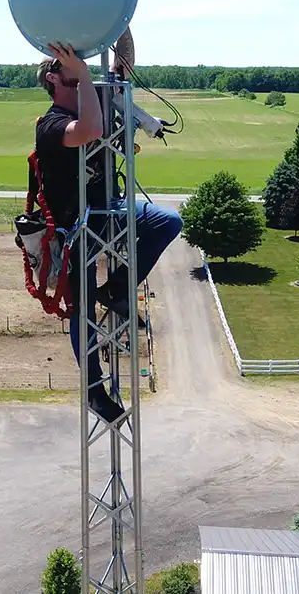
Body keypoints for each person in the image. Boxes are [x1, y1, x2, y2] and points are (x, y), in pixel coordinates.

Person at [33, 38, 182, 422]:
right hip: (75, 227)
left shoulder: (93, 94)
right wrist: (83, 77)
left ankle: (117, 286)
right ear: (54, 79)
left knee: (167, 221)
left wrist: (119, 23)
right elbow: (92, 130)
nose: (84, 73)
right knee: (81, 309)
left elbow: (124, 66)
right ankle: (94, 391)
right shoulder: (50, 125)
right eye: (72, 70)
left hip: (108, 209)